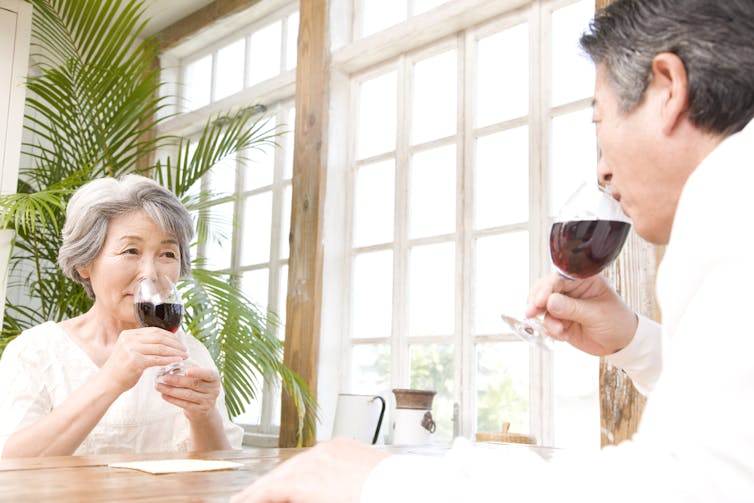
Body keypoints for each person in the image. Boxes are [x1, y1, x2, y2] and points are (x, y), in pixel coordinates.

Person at [230, 0, 754, 501]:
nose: (601, 170)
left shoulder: (729, 191)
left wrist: (385, 482)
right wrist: (634, 341)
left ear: (668, 88)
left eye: (599, 121)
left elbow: (699, 485)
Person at [0, 174, 243, 457]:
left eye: (167, 254)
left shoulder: (190, 355)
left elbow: (219, 475)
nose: (150, 273)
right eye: (131, 250)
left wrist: (204, 415)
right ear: (84, 263)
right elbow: (9, 467)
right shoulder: (36, 352)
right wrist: (111, 380)